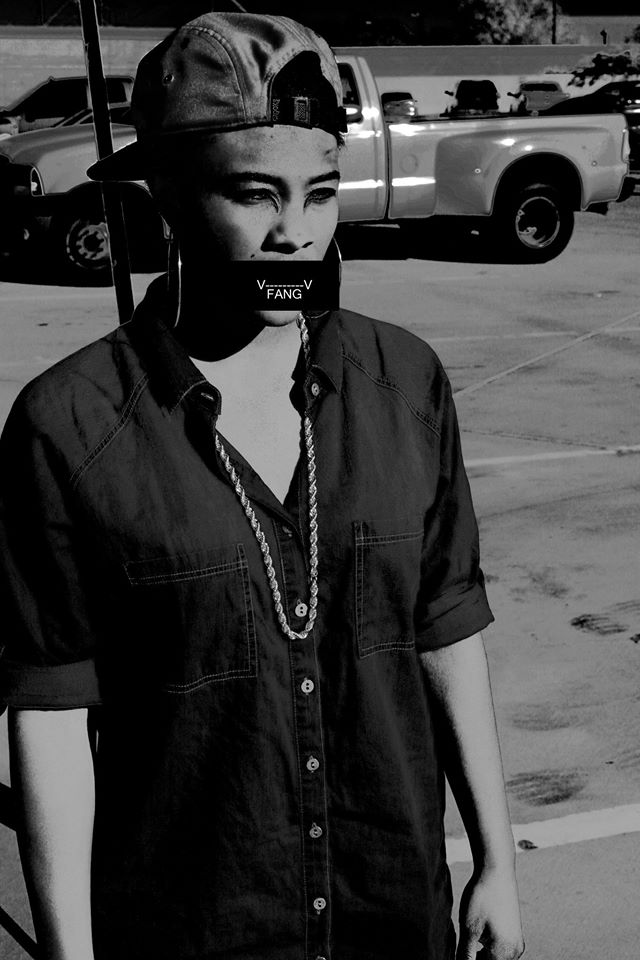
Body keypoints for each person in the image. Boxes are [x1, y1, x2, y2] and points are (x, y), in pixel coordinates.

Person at [0, 13, 524, 960]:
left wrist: (497, 861)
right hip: (192, 925)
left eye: (319, 193)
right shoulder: (69, 424)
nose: (296, 234)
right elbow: (51, 708)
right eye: (254, 194)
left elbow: (447, 627)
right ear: (167, 193)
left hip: (391, 916)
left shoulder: (404, 384)